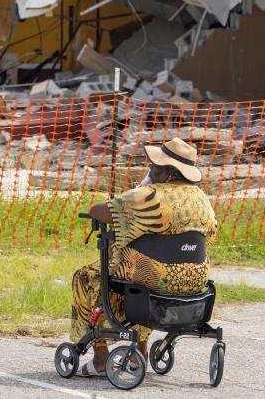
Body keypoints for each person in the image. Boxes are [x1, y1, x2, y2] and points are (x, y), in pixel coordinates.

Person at [70, 137, 218, 377]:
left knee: (89, 277)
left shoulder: (148, 195)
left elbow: (97, 210)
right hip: (194, 278)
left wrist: (143, 186)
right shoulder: (201, 198)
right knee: (138, 275)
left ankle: (99, 359)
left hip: (154, 277)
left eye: (154, 166)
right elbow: (209, 236)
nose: (150, 169)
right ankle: (140, 350)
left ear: (168, 171)